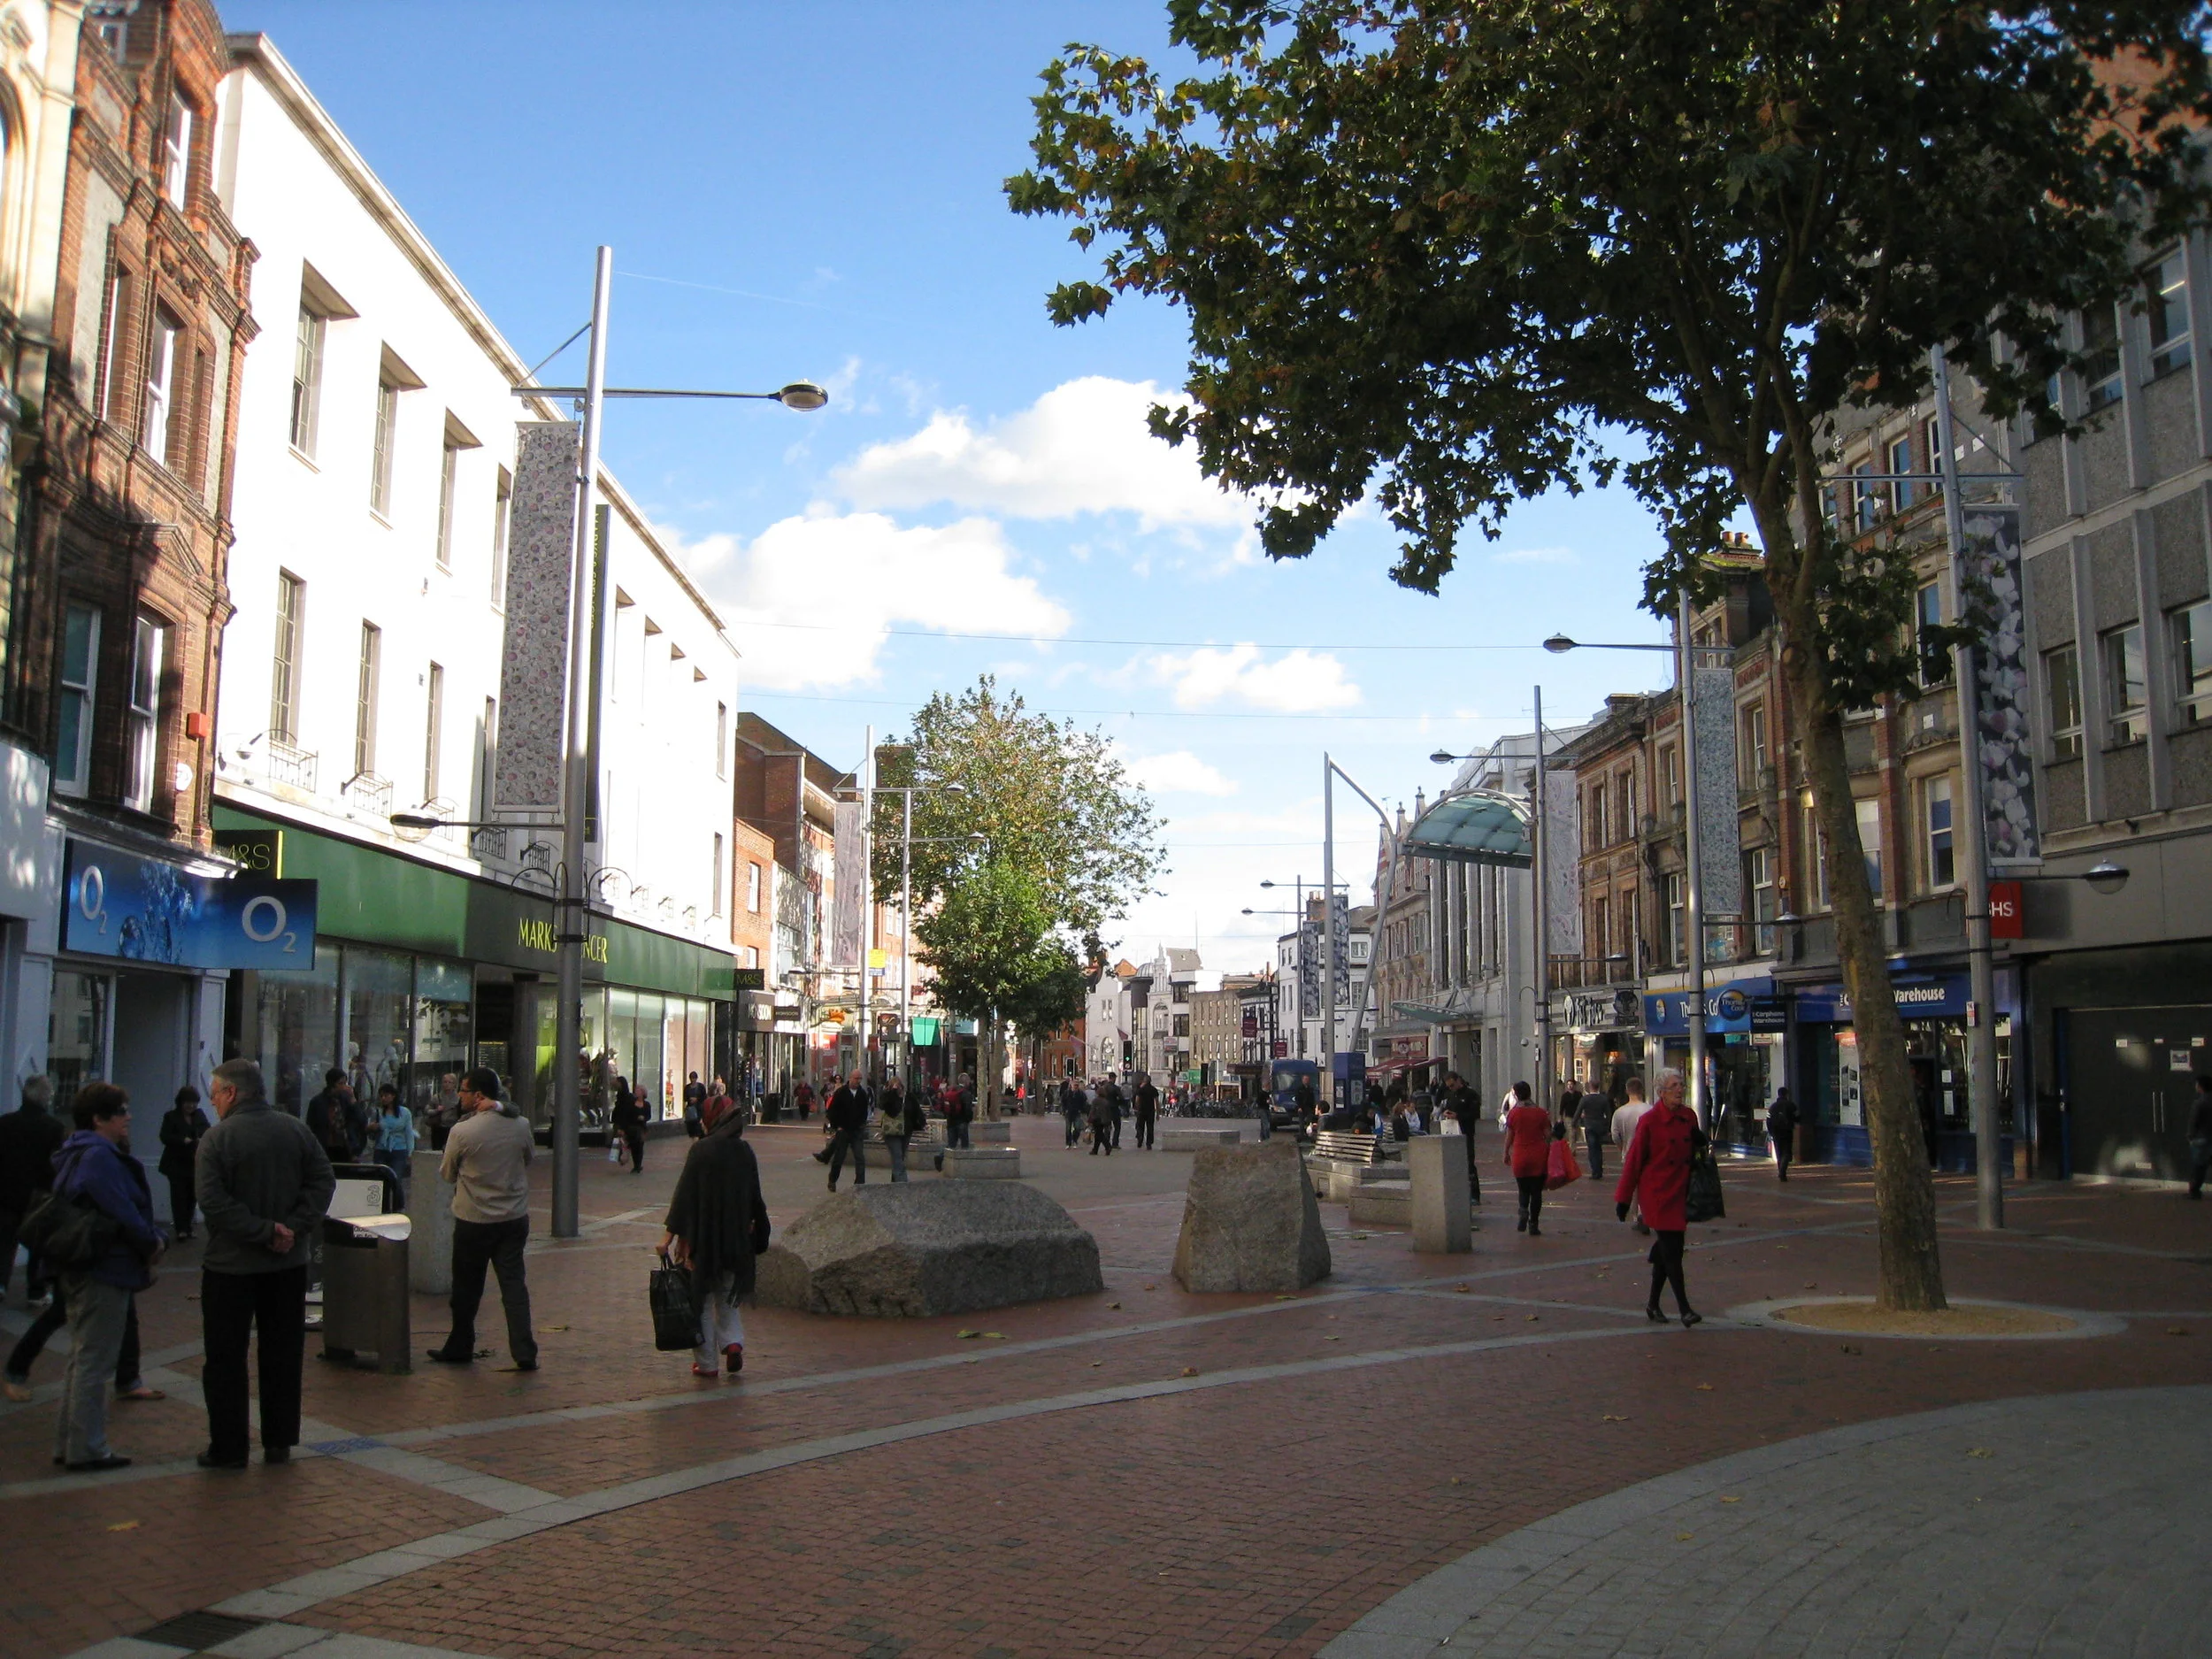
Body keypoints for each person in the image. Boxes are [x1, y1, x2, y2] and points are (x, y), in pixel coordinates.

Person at [196, 1057, 334, 1468]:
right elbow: (323, 1180)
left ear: (231, 1092)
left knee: (225, 1359)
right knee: (282, 1354)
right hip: (286, 1266)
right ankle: (279, 1440)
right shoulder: (295, 1130)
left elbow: (212, 1202)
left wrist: (263, 1231)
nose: (213, 1102)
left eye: (215, 1094)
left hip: (230, 1267)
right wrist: (292, 1228)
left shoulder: (217, 1139)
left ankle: (228, 1447)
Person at [44, 1084, 162, 1472]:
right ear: (99, 1118)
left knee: (83, 1357)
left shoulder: (76, 1152)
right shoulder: (99, 1157)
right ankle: (87, 1448)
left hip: (83, 1264)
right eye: (121, 1111)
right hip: (103, 1266)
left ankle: (72, 1442)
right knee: (94, 1360)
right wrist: (151, 1241)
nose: (128, 1117)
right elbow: (122, 1210)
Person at [427, 1068, 538, 1371]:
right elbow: (529, 1158)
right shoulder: (521, 1125)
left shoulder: (463, 1132)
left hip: (474, 1219)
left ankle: (460, 1345)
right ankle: (524, 1350)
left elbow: (447, 1173)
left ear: (478, 1095)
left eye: (463, 1090)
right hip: (513, 1216)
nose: (459, 1095)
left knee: (466, 1288)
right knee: (514, 1286)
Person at [662, 1091, 772, 1378]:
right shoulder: (744, 1150)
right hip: (737, 1239)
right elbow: (755, 1196)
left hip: (704, 1240)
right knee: (728, 1296)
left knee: (701, 1300)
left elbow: (684, 1196)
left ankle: (707, 1364)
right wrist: (760, 1233)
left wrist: (668, 1237)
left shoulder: (701, 1150)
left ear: (711, 1119)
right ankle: (733, 1342)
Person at [1615, 1069, 1703, 1327]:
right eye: (1674, 1086)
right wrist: (1623, 1198)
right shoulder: (1650, 1121)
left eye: (1681, 1084)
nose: (1680, 1089)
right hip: (1657, 1194)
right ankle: (1685, 1309)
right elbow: (1634, 1161)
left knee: (1669, 1250)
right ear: (1661, 1092)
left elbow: (1696, 1152)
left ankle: (1653, 1304)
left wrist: (1700, 1142)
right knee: (1673, 1251)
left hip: (1681, 1191)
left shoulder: (1689, 1116)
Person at [0, 1073, 66, 1304]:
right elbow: (56, 1164)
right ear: (46, 1097)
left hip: (6, 1192)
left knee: (4, 1242)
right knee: (38, 1246)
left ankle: (1, 1282)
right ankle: (36, 1291)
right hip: (39, 1194)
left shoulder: (5, 1123)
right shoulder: (54, 1127)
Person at [157, 1087, 209, 1240]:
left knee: (192, 1196)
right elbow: (165, 1136)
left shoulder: (199, 1115)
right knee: (179, 1195)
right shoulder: (171, 1116)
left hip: (193, 1162)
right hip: (176, 1163)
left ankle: (188, 1226)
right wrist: (181, 1140)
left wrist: (200, 1138)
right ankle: (181, 1229)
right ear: (181, 1102)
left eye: (194, 1102)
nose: (191, 1106)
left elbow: (207, 1130)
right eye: (187, 1102)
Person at [1503, 1082, 1551, 1236]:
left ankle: (1523, 1209)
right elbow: (1548, 1135)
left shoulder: (1514, 1114)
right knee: (1536, 1191)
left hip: (1520, 1154)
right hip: (1538, 1154)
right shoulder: (1541, 1113)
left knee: (1523, 1189)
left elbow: (1509, 1136)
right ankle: (1534, 1224)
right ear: (1530, 1093)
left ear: (1516, 1095)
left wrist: (1506, 1152)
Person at [1611, 1077, 1652, 1234]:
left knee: (1633, 1186)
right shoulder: (1650, 1110)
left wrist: (1622, 1148)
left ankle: (1637, 1217)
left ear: (1627, 1091)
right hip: (1649, 1154)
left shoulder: (1619, 1112)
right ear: (1641, 1090)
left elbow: (1615, 1136)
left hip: (1629, 1153)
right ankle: (1644, 1213)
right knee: (1647, 1184)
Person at [823, 1072, 871, 1191]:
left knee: (859, 1157)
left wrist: (862, 1124)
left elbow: (865, 1111)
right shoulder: (841, 1092)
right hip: (843, 1129)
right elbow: (833, 1110)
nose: (858, 1081)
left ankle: (860, 1183)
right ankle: (832, 1180)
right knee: (839, 1157)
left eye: (860, 1079)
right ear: (850, 1078)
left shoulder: (862, 1094)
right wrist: (837, 1126)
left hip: (857, 1130)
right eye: (856, 1078)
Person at [304, 1069, 362, 1165]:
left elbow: (359, 1120)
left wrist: (353, 1099)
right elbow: (311, 1125)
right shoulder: (317, 1102)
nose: (344, 1087)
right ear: (332, 1084)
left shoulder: (345, 1100)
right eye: (341, 1083)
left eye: (345, 1083)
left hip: (345, 1147)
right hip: (325, 1146)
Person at [373, 1086, 418, 1202]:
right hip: (381, 1149)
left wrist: (410, 1152)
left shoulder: (404, 1112)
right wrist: (373, 1128)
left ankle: (398, 1204)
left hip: (399, 1149)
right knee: (382, 1180)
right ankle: (383, 1205)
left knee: (396, 1178)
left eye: (386, 1095)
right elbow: (370, 1132)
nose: (383, 1098)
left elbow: (408, 1132)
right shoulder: (378, 1112)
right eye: (381, 1096)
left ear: (393, 1096)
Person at [877, 1076, 915, 1182]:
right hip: (891, 1132)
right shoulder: (888, 1096)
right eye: (895, 1087)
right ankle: (902, 1181)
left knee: (900, 1157)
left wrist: (922, 1123)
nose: (898, 1089)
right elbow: (883, 1105)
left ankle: (895, 1181)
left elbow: (916, 1109)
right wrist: (892, 1093)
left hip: (906, 1131)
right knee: (897, 1155)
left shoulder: (908, 1097)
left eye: (899, 1087)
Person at [1574, 1084, 1612, 1184]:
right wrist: (1608, 1126)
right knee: (1598, 1148)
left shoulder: (1585, 1099)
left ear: (1590, 1088)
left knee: (1592, 1148)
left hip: (1589, 1126)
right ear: (1598, 1087)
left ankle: (1595, 1171)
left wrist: (1574, 1123)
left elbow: (1578, 1112)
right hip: (1600, 1126)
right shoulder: (1603, 1099)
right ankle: (1599, 1170)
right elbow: (1608, 1114)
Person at [611, 1077, 648, 1174]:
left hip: (634, 1126)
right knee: (630, 1144)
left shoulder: (629, 1099)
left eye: (638, 1090)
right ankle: (634, 1164)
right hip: (629, 1125)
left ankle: (636, 1165)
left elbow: (627, 1113)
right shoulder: (625, 1098)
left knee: (636, 1145)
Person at [1768, 1087, 1801, 1183]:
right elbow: (1797, 1117)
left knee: (1779, 1152)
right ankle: (1782, 1171)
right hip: (1787, 1131)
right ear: (1786, 1094)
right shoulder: (1791, 1105)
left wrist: (1771, 1132)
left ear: (1778, 1094)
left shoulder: (1773, 1107)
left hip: (1776, 1132)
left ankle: (1781, 1171)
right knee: (1786, 1151)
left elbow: (1768, 1120)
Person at [2190, 1076, 2212, 1199]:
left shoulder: (2199, 1102)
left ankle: (2195, 1191)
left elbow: (2194, 1121)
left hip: (2202, 1138)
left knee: (2199, 1167)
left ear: (2200, 1087)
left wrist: (2191, 1137)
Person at [1133, 1072, 1160, 1150]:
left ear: (1144, 1081)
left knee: (1140, 1126)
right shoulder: (1154, 1089)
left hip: (1141, 1110)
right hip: (1150, 1111)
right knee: (1150, 1127)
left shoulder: (1140, 1090)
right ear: (1150, 1081)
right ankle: (1149, 1143)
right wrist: (1158, 1113)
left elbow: (1137, 1100)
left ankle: (1140, 1138)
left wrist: (1136, 1109)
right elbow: (1157, 1102)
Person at [682, 1071, 707, 1139]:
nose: (693, 1080)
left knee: (698, 1127)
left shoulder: (701, 1087)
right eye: (691, 1078)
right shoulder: (687, 1087)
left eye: (694, 1078)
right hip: (690, 1110)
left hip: (699, 1110)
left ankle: (698, 1138)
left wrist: (697, 1099)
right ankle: (694, 1138)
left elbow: (704, 1097)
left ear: (696, 1078)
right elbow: (685, 1098)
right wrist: (689, 1099)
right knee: (691, 1128)